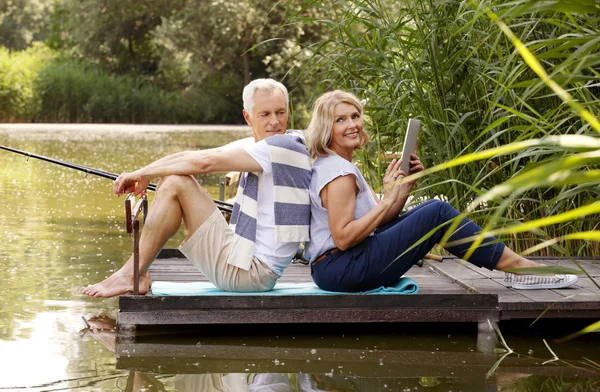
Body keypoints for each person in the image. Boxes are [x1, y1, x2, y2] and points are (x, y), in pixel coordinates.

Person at [303, 90, 578, 292]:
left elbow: (377, 222)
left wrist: (402, 191)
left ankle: (516, 266)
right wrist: (387, 199)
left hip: (343, 265)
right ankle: (519, 268)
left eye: (355, 116)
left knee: (429, 209)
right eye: (341, 120)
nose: (352, 125)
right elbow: (343, 238)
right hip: (342, 268)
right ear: (328, 128)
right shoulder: (338, 173)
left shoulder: (340, 164)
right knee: (437, 212)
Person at [82, 79, 311, 298]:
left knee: (175, 183)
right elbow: (194, 156)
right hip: (244, 263)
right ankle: (136, 273)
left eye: (281, 112)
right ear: (248, 117)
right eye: (266, 114)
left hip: (251, 273)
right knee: (171, 179)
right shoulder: (261, 146)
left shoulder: (285, 146)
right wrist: (144, 173)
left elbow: (204, 164)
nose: (275, 121)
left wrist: (144, 175)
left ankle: (130, 274)